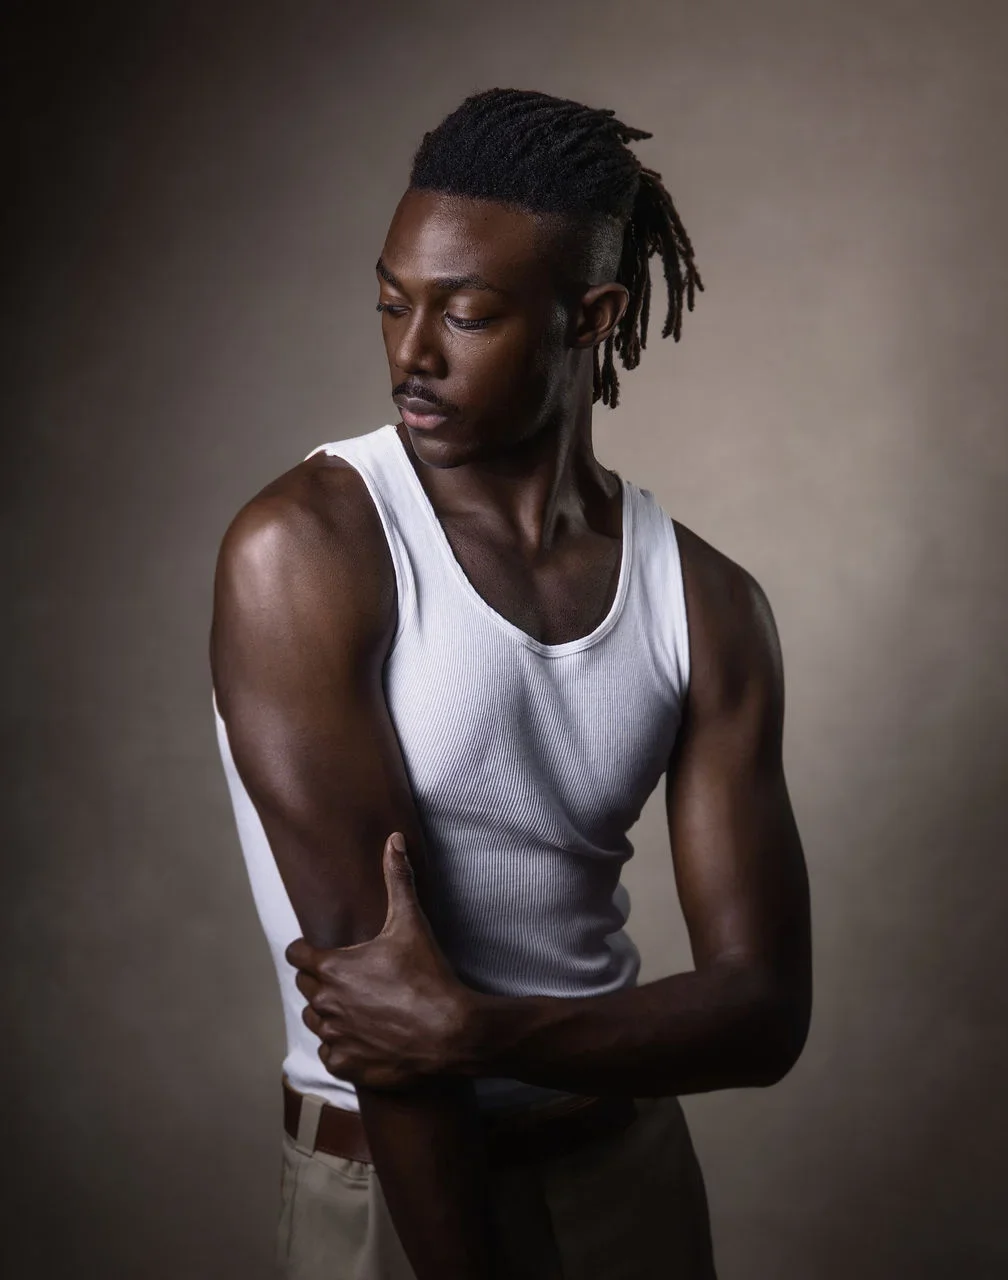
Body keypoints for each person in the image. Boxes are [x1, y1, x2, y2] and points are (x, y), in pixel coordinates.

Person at [210, 86, 812, 1280]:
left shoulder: (706, 603)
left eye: (467, 313)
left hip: (629, 1178)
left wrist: (483, 1028)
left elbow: (762, 1012)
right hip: (394, 1194)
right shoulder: (310, 549)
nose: (410, 354)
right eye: (392, 303)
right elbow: (387, 1031)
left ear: (593, 315)